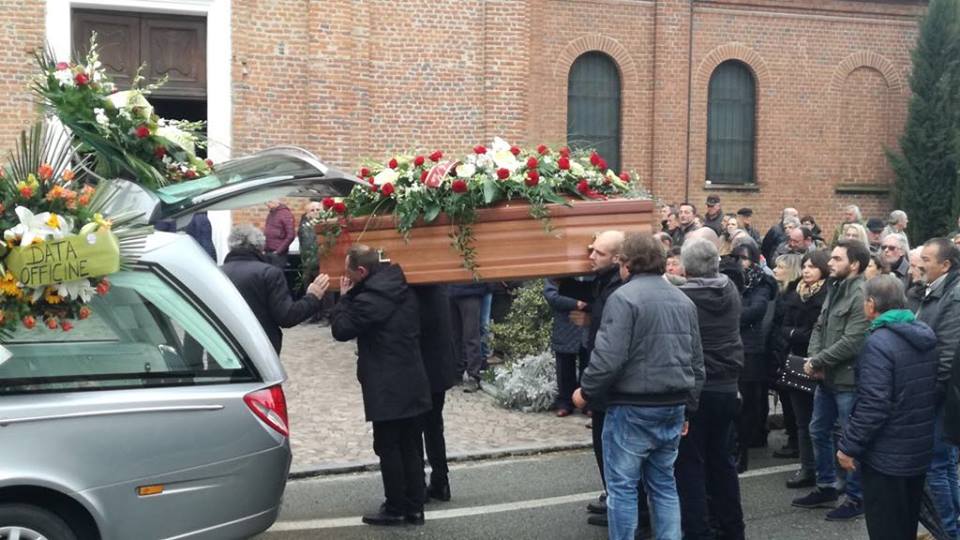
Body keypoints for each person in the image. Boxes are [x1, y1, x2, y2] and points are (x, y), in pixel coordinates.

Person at [574, 232, 705, 540]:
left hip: (632, 406)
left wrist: (586, 391)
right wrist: (688, 407)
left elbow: (609, 358)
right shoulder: (683, 300)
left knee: (622, 488)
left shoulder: (623, 298)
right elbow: (696, 361)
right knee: (664, 485)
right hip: (673, 404)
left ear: (628, 264)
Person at [328, 244, 432, 526]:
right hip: (413, 376)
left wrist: (344, 299)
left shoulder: (369, 300)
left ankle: (396, 507)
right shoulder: (403, 288)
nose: (346, 276)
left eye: (349, 272)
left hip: (387, 383)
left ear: (361, 271)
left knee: (389, 446)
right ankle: (415, 507)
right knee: (411, 444)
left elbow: (341, 330)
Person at [837, 275, 937, 540]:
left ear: (871, 304)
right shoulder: (923, 334)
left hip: (886, 455)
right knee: (906, 523)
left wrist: (848, 447)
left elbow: (873, 404)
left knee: (886, 527)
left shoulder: (878, 343)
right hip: (917, 449)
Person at [792, 240, 871, 521]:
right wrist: (813, 359)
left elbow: (853, 340)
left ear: (855, 264)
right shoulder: (835, 288)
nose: (830, 263)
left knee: (850, 440)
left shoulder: (860, 293)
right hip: (826, 379)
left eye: (837, 259)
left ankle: (856, 497)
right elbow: (819, 326)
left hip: (847, 380)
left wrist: (818, 361)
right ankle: (826, 486)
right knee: (818, 430)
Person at [675, 238, 746, 540]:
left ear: (685, 267)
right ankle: (732, 529)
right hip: (727, 387)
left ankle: (698, 531)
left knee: (690, 466)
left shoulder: (681, 298)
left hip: (697, 389)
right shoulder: (729, 289)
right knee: (722, 461)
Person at [571, 230, 626, 528]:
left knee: (610, 447)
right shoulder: (606, 281)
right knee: (604, 445)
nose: (590, 256)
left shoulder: (619, 289)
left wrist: (590, 388)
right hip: (605, 383)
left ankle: (622, 506)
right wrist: (559, 276)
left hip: (611, 385)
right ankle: (613, 497)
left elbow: (612, 348)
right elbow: (587, 294)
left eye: (598, 253)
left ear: (617, 259)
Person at [221, 224, 328, 354]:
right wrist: (312, 297)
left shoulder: (217, 273)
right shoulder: (269, 273)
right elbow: (286, 317)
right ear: (260, 247)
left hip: (223, 345)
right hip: (261, 346)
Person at [773, 250, 830, 489]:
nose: (806, 270)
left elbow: (816, 332)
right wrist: (796, 334)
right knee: (802, 421)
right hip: (796, 362)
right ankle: (807, 468)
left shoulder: (827, 295)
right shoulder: (797, 293)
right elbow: (784, 327)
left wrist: (796, 334)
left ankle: (825, 471)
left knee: (821, 424)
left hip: (818, 363)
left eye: (812, 266)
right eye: (805, 266)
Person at [915, 238, 960, 539]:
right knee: (944, 465)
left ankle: (948, 532)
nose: (920, 265)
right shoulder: (936, 288)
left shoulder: (954, 296)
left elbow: (947, 352)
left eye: (926, 260)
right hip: (939, 391)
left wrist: (931, 395)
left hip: (942, 394)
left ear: (945, 265)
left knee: (937, 466)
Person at [732, 240, 778, 471]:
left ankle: (749, 444)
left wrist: (730, 313)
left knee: (750, 400)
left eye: (744, 258)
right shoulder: (731, 281)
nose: (740, 262)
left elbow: (756, 311)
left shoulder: (762, 282)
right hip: (734, 345)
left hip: (752, 348)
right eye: (737, 257)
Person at [411, 284, 459, 503]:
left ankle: (419, 485)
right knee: (434, 427)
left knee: (414, 428)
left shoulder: (414, 291)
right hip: (439, 365)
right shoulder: (439, 288)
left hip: (421, 368)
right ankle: (441, 481)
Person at [770, 253, 804, 460]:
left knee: (792, 402)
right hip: (781, 351)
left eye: (781, 267)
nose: (775, 270)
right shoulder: (783, 292)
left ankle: (796, 442)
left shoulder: (793, 296)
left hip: (787, 354)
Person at [544, 278, 589, 417]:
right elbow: (551, 295)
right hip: (565, 325)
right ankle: (565, 402)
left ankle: (588, 402)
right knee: (564, 367)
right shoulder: (558, 273)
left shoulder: (593, 271)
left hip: (588, 326)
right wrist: (576, 303)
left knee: (588, 366)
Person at [448, 282, 489, 392]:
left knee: (471, 335)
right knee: (454, 336)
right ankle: (457, 373)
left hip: (471, 290)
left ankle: (473, 375)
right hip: (451, 290)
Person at [264, 200, 296, 268]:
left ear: (277, 201)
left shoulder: (285, 214)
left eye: (269, 201)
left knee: (277, 272)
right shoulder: (271, 214)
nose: (267, 204)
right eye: (266, 202)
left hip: (278, 253)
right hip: (268, 251)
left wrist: (278, 251)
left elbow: (291, 235)